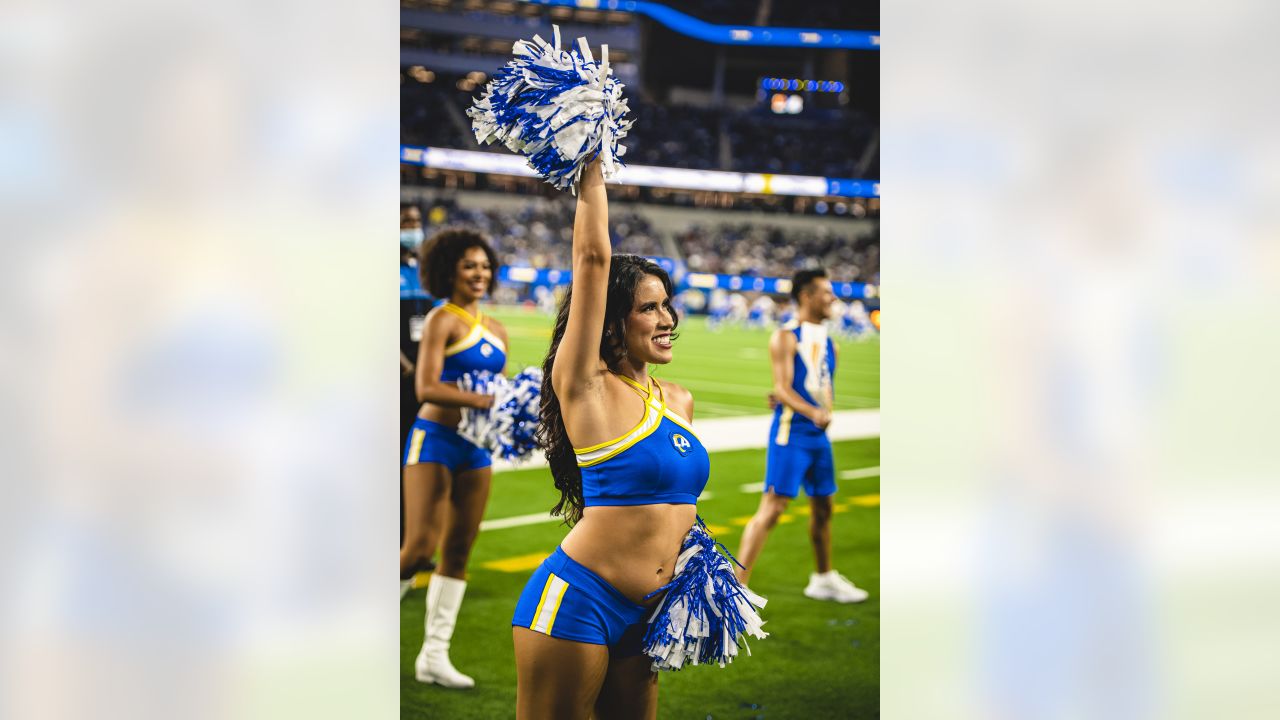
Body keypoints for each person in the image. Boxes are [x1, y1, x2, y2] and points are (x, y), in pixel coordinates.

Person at [512, 160, 709, 719]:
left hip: (648, 611)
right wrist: (592, 165)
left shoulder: (678, 399)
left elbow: (677, 507)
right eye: (649, 307)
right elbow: (592, 260)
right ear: (612, 319)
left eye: (668, 304)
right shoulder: (586, 386)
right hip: (579, 601)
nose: (667, 317)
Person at [401, 228, 508, 689]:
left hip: (476, 448)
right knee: (420, 546)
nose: (479, 274)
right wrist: (485, 401)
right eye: (469, 266)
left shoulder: (498, 328)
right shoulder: (442, 319)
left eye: (485, 266)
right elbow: (425, 387)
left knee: (459, 551)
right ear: (450, 271)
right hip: (436, 438)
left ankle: (434, 656)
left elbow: (499, 389)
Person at [734, 268, 869, 603]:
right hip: (790, 433)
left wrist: (823, 413)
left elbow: (820, 388)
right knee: (773, 507)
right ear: (807, 295)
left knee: (824, 506)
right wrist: (811, 412)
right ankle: (738, 587)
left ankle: (823, 579)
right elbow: (782, 386)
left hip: (818, 437)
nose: (833, 298)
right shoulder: (786, 336)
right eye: (826, 292)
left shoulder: (832, 343)